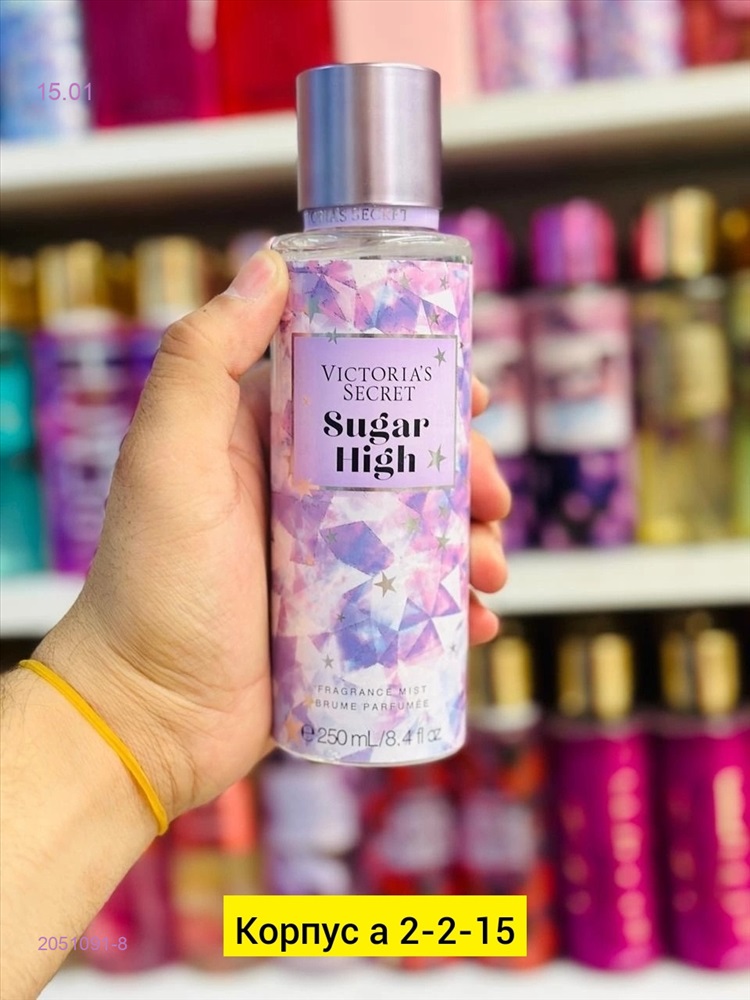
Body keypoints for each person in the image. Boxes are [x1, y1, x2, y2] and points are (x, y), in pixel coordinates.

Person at [0, 249, 511, 998]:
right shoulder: (310, 271)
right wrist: (135, 693)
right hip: (308, 672)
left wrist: (126, 706)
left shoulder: (435, 270)